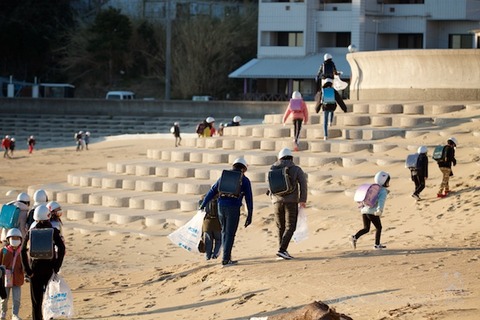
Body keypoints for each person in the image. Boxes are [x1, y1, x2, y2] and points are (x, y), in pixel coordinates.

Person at [199, 158, 253, 266]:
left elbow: (212, 191)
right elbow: (249, 199)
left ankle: (226, 256)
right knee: (230, 234)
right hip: (233, 208)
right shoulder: (245, 180)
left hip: (221, 206)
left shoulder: (224, 177)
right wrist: (249, 215)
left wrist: (203, 204)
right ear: (243, 168)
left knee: (224, 231)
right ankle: (226, 259)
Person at [21, 205, 65, 320]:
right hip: (49, 268)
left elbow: (22, 250)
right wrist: (56, 266)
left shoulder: (30, 232)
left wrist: (27, 270)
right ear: (48, 216)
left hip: (34, 269)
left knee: (36, 302)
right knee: (50, 298)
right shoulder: (54, 231)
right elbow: (62, 248)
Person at [268, 148, 307, 260]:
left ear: (279, 157)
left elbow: (270, 185)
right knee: (291, 226)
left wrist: (272, 197)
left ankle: (282, 251)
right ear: (291, 157)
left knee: (280, 227)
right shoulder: (296, 169)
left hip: (276, 202)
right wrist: (302, 200)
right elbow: (303, 185)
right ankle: (282, 250)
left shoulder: (273, 168)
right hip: (291, 201)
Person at [350, 171, 390, 250]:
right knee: (379, 227)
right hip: (372, 211)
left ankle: (354, 237)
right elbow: (381, 201)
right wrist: (379, 210)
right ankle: (377, 245)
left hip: (364, 210)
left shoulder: (372, 188)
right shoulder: (382, 191)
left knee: (366, 228)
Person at [0, 228, 25, 320]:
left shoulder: (22, 252)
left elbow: (26, 265)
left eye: (17, 238)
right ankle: (3, 313)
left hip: (18, 279)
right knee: (4, 298)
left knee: (17, 299)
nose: (15, 240)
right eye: (13, 238)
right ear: (8, 239)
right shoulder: (3, 251)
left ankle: (15, 314)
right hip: (5, 278)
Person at [199, 194, 221, 261]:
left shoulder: (202, 201)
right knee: (218, 240)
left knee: (208, 241)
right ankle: (215, 255)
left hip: (206, 223)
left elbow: (200, 212)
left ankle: (207, 257)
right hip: (217, 223)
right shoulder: (219, 200)